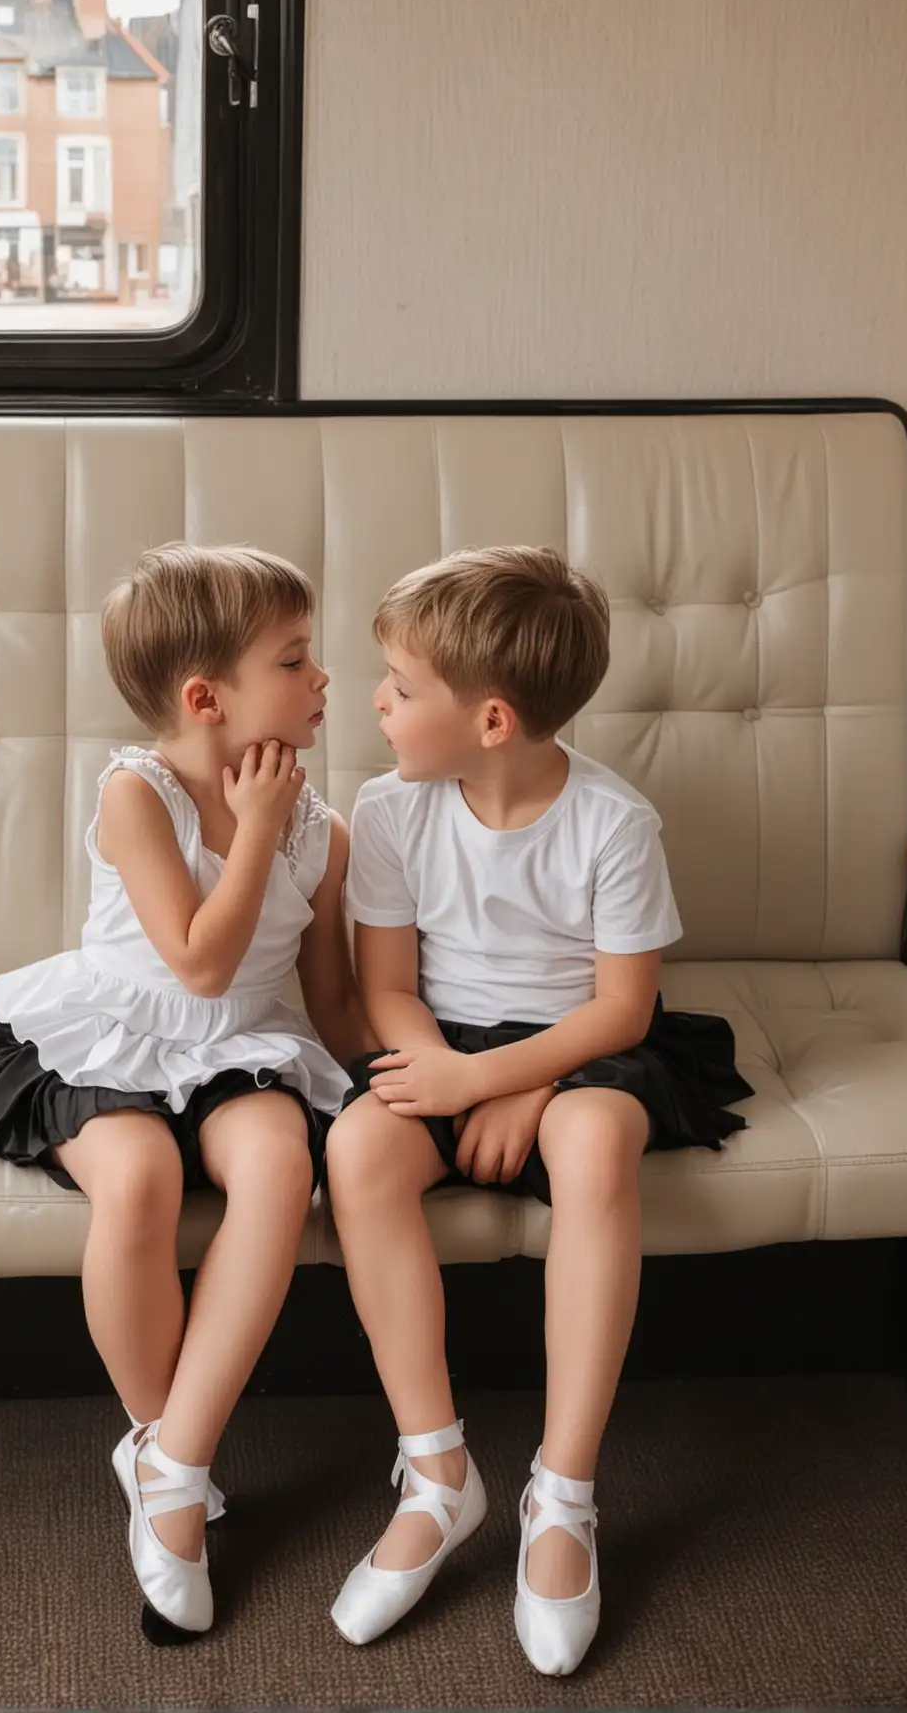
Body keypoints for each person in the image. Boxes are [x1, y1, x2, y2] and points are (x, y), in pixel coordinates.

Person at [0, 543, 373, 1644]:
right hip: (111, 1038)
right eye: (295, 659)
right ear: (208, 700)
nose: (323, 679)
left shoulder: (323, 830)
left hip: (244, 1046)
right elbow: (198, 960)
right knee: (142, 1179)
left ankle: (174, 1459)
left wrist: (408, 1073)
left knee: (279, 1165)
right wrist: (252, 831)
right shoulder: (134, 794)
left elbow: (329, 1000)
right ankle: (164, 1443)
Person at [324, 544, 752, 1675]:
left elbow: (622, 1009)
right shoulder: (390, 806)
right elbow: (386, 989)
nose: (378, 702)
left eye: (403, 689)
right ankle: (437, 1473)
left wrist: (517, 1079)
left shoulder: (614, 824)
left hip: (581, 1047)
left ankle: (563, 1495)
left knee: (599, 1142)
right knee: (360, 1147)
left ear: (494, 720)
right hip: (439, 1040)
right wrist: (453, 1076)